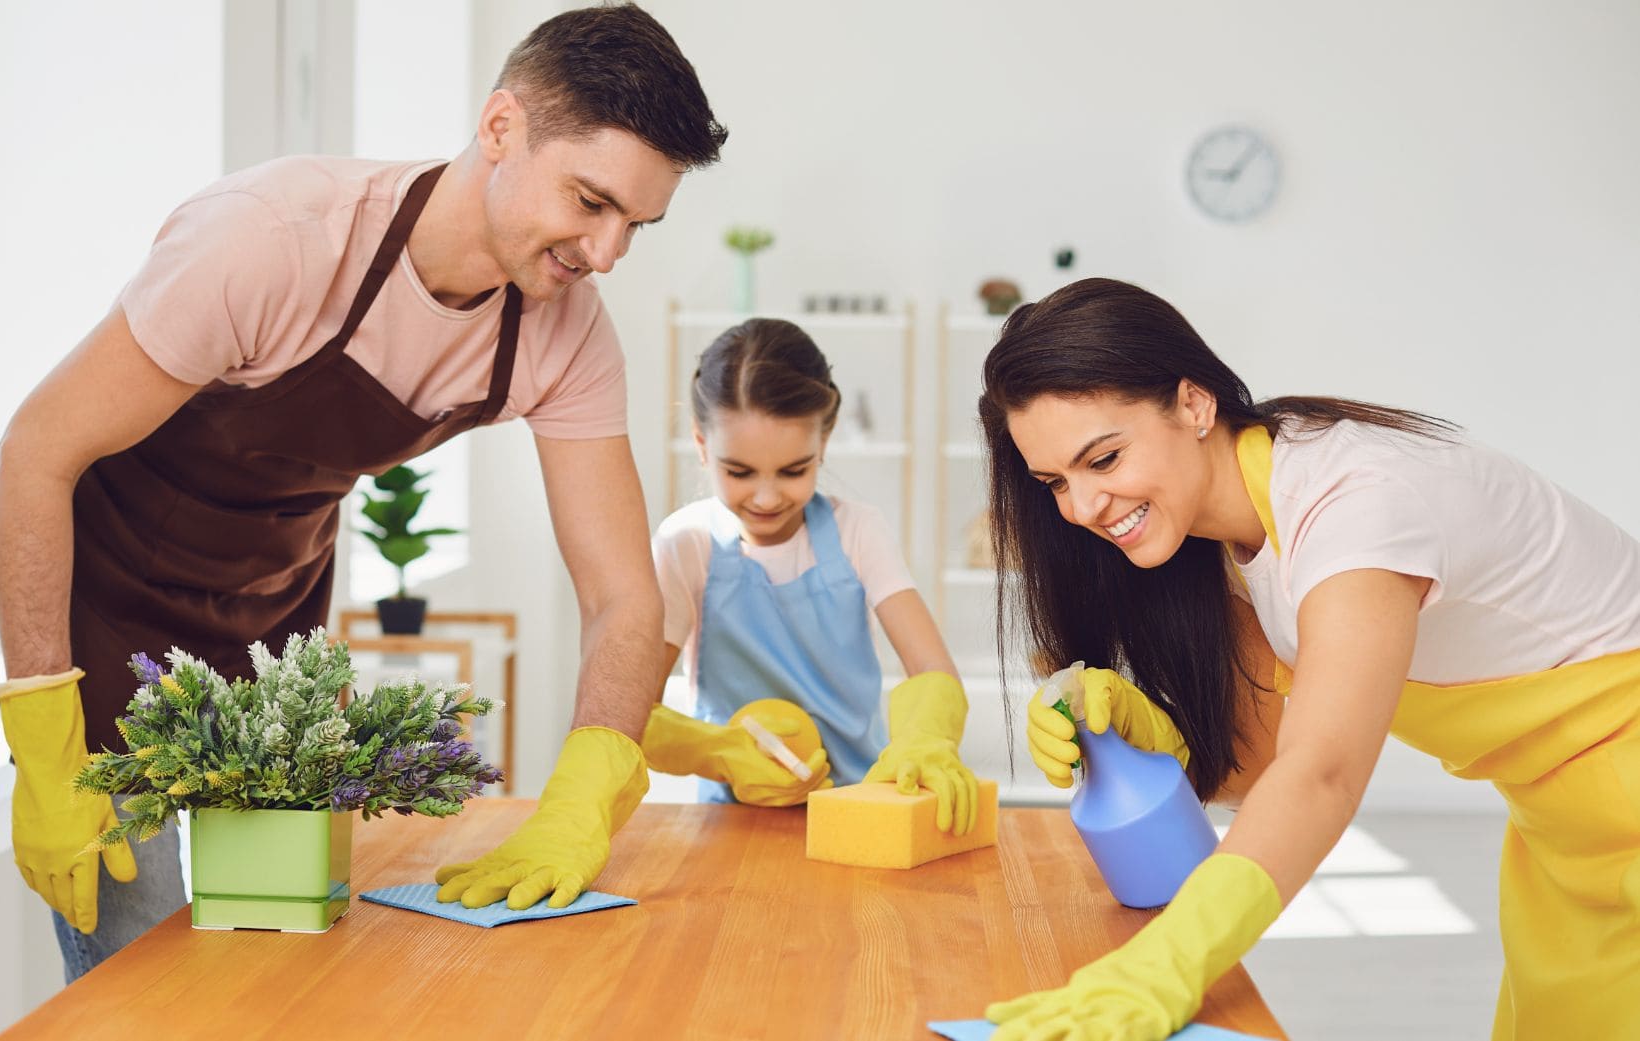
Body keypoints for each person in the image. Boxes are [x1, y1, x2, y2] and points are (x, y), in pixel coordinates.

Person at [0, 3, 727, 980]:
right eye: (590, 202)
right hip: (101, 629)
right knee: (151, 984)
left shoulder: (562, 335)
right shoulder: (273, 243)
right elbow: (34, 454)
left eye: (635, 223)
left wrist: (581, 800)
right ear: (499, 127)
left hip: (274, 638)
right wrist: (44, 741)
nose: (605, 254)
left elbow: (624, 595)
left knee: (285, 974)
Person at [979, 277, 1639, 1040]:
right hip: (1564, 837)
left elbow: (1322, 772)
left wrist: (1167, 963)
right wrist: (1149, 736)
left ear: (1194, 405)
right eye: (1055, 482)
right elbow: (1266, 769)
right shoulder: (1225, 535)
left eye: (1105, 457)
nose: (1084, 507)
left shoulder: (1353, 505)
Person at [641, 318, 980, 834]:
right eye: (739, 472)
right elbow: (631, 710)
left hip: (860, 804)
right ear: (701, 443)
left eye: (794, 470)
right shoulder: (685, 545)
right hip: (732, 819)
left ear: (825, 439)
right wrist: (720, 753)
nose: (767, 497)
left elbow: (932, 668)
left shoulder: (858, 532)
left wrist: (924, 740)